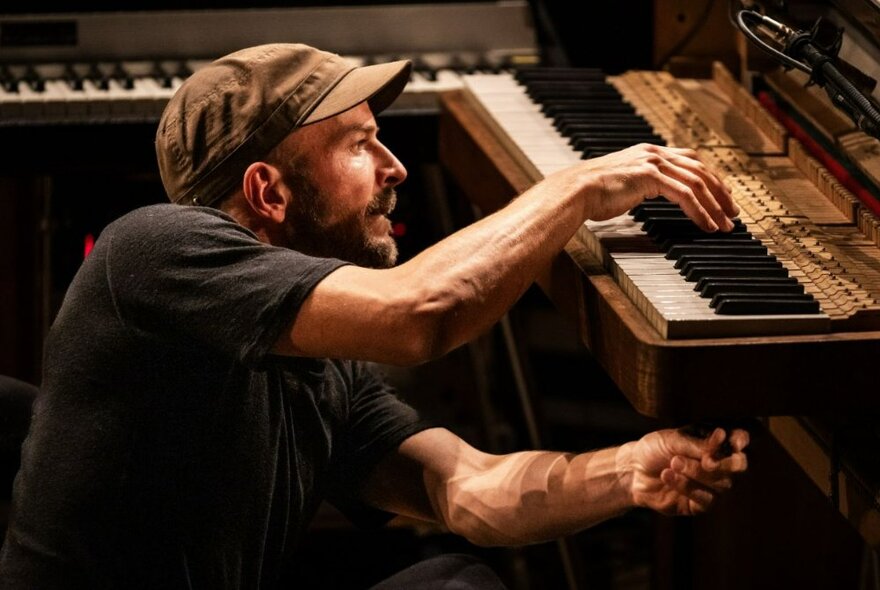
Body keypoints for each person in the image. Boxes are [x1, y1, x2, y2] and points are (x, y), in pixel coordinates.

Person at [0, 43, 749, 589]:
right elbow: (422, 314)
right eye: (360, 146)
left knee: (456, 583)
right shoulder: (154, 250)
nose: (393, 167)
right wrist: (577, 188)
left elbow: (463, 489)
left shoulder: (321, 366)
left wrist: (626, 471)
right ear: (269, 193)